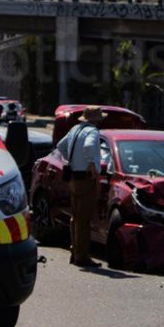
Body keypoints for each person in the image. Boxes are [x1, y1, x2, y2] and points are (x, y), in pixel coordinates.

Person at [56, 106, 104, 268]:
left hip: (73, 177)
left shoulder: (75, 129)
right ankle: (82, 256)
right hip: (86, 178)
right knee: (84, 220)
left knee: (75, 217)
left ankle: (74, 251)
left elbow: (61, 145)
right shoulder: (92, 132)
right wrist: (91, 164)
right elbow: (89, 147)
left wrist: (71, 160)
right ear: (97, 119)